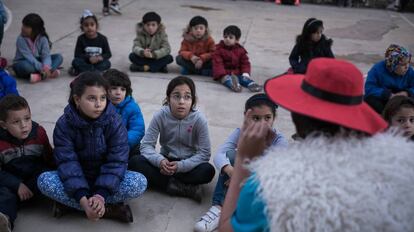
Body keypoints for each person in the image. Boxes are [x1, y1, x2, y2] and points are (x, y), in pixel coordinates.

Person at [217, 58, 414, 232]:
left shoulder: (271, 185)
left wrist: (245, 159)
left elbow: (227, 227)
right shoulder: (403, 169)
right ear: (357, 115)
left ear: (297, 116)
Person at [37, 72, 147, 223]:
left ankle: (73, 206)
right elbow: (67, 163)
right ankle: (108, 210)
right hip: (77, 177)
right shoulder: (64, 125)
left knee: (139, 182)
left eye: (102, 98)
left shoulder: (114, 122)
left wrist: (101, 195)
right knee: (44, 180)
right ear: (77, 99)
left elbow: (117, 161)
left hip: (105, 178)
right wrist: (82, 198)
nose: (98, 104)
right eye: (91, 98)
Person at [194, 93, 288, 232]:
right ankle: (218, 207)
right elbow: (220, 154)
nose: (262, 124)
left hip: (261, 189)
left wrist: (242, 177)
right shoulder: (241, 132)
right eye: (256, 118)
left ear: (274, 118)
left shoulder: (279, 141)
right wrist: (232, 171)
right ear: (246, 116)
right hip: (241, 182)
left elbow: (276, 174)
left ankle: (239, 210)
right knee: (232, 155)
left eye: (267, 118)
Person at [129, 76, 215, 202]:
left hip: (189, 163)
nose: (181, 101)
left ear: (193, 100)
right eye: (176, 96)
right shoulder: (160, 116)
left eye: (187, 97)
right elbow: (146, 146)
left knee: (207, 171)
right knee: (135, 162)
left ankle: (166, 184)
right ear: (168, 99)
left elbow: (204, 153)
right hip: (165, 162)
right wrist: (160, 161)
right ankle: (183, 188)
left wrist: (181, 166)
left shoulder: (199, 120)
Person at [0, 95, 54, 232]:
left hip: (35, 178)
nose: (24, 125)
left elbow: (49, 158)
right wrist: (16, 185)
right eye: (16, 122)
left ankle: (61, 204)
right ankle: (4, 220)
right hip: (11, 182)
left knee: (49, 177)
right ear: (3, 125)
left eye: (27, 119)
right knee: (4, 195)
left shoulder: (39, 133)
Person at [103, 69, 145, 155]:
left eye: (123, 89)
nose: (118, 93)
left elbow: (137, 130)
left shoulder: (132, 107)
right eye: (114, 88)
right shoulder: (100, 106)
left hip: (124, 145)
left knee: (140, 150)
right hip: (103, 146)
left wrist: (120, 142)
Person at [12, 13, 63, 83]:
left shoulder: (43, 38)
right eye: (23, 25)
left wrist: (46, 67)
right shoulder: (20, 39)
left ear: (35, 30)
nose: (23, 28)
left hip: (38, 62)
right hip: (23, 62)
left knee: (58, 57)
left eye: (26, 26)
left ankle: (40, 76)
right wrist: (42, 68)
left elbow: (46, 55)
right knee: (26, 67)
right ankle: (48, 73)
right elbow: (29, 57)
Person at [365, 44, 414, 114]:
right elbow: (369, 88)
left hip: (403, 98)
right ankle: (385, 117)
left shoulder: (409, 71)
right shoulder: (377, 70)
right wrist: (388, 95)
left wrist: (407, 93)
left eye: (408, 63)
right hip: (384, 99)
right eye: (403, 64)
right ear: (393, 64)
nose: (407, 67)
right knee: (369, 100)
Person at [212, 25, 262, 93]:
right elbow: (218, 64)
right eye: (225, 37)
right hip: (224, 74)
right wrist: (222, 75)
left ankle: (252, 84)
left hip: (237, 73)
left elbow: (245, 63)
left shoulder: (241, 50)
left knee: (244, 79)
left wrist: (245, 73)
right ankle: (234, 86)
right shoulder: (218, 49)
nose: (227, 39)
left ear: (237, 40)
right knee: (227, 80)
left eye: (231, 37)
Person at [69, 10, 112, 76]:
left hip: (98, 62)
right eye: (86, 25)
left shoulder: (103, 38)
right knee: (75, 62)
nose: (89, 27)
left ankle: (84, 71)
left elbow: (108, 54)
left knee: (107, 63)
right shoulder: (81, 38)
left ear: (96, 26)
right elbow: (77, 54)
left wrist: (100, 57)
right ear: (82, 28)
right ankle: (95, 72)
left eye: (92, 25)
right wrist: (88, 58)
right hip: (86, 62)